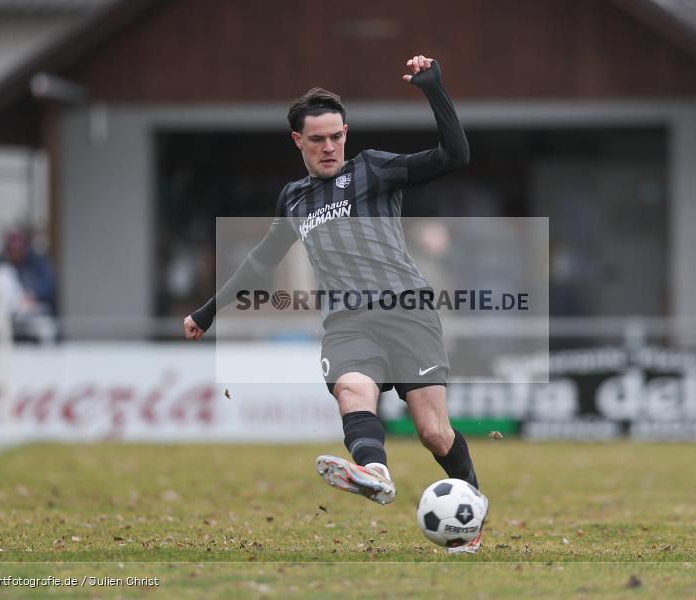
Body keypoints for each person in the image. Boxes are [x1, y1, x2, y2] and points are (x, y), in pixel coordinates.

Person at [183, 55, 487, 553]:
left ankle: (470, 515)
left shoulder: (374, 170)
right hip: (348, 322)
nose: (329, 147)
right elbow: (260, 263)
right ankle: (374, 472)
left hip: (407, 311)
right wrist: (207, 311)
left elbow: (455, 156)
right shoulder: (294, 199)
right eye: (318, 139)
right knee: (351, 391)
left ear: (346, 133)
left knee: (434, 432)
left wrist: (435, 90)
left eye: (336, 136)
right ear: (297, 141)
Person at [0, 227, 57, 343]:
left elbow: (49, 284)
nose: (15, 252)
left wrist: (33, 294)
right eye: (12, 249)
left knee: (44, 327)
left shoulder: (37, 263)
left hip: (30, 323)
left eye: (19, 248)